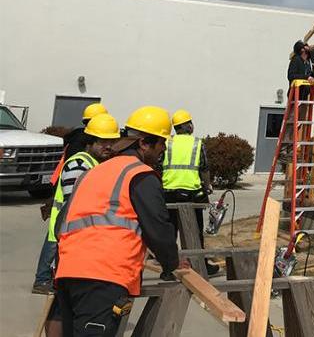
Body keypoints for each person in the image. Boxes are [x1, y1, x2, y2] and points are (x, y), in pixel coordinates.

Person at [54, 106, 183, 337]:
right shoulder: (140, 175)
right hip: (104, 277)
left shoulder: (93, 173)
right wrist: (172, 263)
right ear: (144, 143)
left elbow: (60, 225)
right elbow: (159, 229)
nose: (163, 149)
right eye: (161, 143)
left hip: (68, 273)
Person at [38, 113, 120, 336]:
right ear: (90, 141)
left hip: (78, 240)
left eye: (112, 142)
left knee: (66, 303)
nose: (108, 147)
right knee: (60, 304)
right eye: (103, 142)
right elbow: (77, 205)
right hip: (68, 239)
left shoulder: (95, 164)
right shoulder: (79, 164)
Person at [34, 101, 109, 294]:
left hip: (62, 198)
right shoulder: (81, 148)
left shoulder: (77, 140)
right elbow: (74, 180)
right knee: (53, 244)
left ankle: (47, 278)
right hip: (66, 210)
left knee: (53, 243)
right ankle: (43, 279)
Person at [162, 109, 218, 276]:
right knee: (195, 231)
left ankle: (168, 269)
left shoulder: (167, 143)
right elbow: (204, 168)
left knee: (170, 232)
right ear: (188, 126)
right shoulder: (197, 143)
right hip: (192, 193)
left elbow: (158, 165)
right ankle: (200, 265)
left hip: (168, 192)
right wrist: (207, 186)